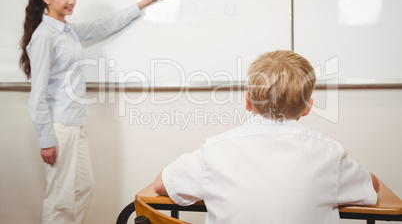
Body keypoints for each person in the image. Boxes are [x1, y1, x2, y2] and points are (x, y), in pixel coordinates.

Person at [153, 50, 380, 224]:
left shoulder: (216, 149)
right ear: (308, 107)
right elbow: (372, 186)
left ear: (248, 101)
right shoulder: (329, 152)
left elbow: (161, 184)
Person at [19, 0, 164, 224]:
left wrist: (142, 4)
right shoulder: (45, 36)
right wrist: (46, 140)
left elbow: (103, 25)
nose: (71, 1)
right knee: (60, 197)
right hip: (59, 127)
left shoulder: (67, 30)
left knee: (84, 188)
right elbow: (37, 94)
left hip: (75, 123)